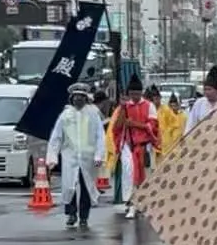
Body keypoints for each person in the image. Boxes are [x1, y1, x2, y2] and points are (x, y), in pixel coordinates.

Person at [49, 84, 106, 228]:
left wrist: (99, 155)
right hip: (70, 156)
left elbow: (100, 136)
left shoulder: (93, 114)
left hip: (88, 157)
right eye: (76, 98)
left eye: (81, 98)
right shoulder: (65, 115)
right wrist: (52, 157)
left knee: (86, 187)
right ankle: (71, 213)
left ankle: (84, 217)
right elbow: (56, 137)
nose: (78, 100)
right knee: (70, 186)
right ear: (72, 99)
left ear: (86, 99)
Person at [108, 77, 158, 219]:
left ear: (141, 93)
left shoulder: (149, 106)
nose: (135, 97)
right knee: (129, 174)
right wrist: (123, 108)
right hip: (128, 146)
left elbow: (152, 126)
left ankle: (142, 203)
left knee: (144, 176)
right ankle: (131, 204)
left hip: (144, 147)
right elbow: (116, 127)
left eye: (137, 94)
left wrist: (135, 124)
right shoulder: (123, 107)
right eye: (132, 94)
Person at [186, 66, 217, 132]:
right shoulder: (199, 103)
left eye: (209, 89)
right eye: (205, 89)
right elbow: (191, 124)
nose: (207, 92)